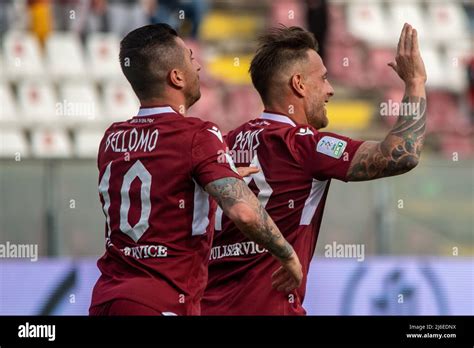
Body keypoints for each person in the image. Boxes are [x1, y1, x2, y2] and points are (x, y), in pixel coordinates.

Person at [202, 23, 427, 315]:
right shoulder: (302, 145)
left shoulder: (223, 144)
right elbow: (400, 155)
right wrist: (416, 82)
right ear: (298, 84)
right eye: (323, 79)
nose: (331, 90)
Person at [89, 23, 303, 316]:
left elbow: (158, 181)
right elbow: (244, 212)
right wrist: (288, 255)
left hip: (106, 299)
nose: (198, 66)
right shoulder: (197, 135)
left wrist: (213, 175)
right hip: (161, 301)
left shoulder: (112, 138)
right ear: (176, 77)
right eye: (190, 58)